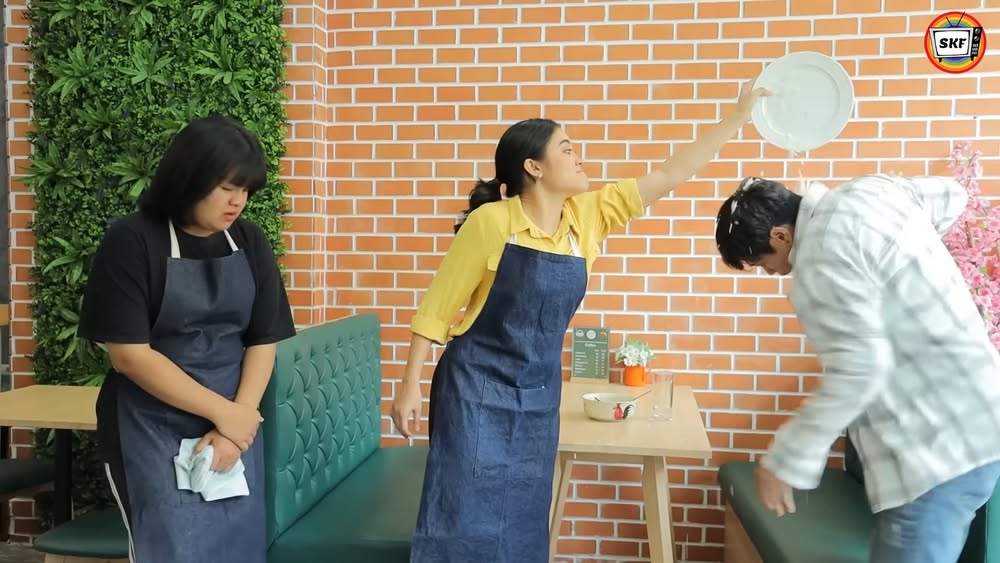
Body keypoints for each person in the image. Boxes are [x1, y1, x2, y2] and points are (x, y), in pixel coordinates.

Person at [390, 80, 768, 562]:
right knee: (461, 517)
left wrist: (738, 118)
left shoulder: (589, 217)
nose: (578, 157)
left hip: (538, 396)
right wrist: (409, 387)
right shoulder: (491, 224)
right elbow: (436, 310)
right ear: (534, 167)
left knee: (523, 521)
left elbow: (671, 173)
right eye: (566, 149)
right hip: (473, 393)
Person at [713, 174, 1000, 563]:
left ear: (781, 236)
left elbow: (856, 371)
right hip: (982, 422)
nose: (772, 273)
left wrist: (784, 462)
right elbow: (954, 194)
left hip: (931, 452)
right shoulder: (873, 190)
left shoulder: (819, 260)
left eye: (763, 263)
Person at [78, 115, 296, 563]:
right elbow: (130, 356)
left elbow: (263, 338)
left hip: (235, 423)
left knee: (238, 548)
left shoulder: (248, 240)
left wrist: (237, 423)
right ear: (189, 178)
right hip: (150, 426)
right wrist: (225, 415)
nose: (238, 201)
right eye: (227, 187)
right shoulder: (133, 240)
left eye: (246, 190)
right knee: (171, 549)